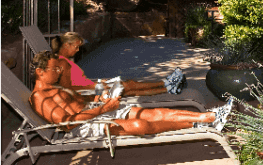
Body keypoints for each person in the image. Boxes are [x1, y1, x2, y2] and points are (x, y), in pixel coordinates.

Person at [29, 51, 233, 137]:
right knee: (140, 125)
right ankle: (198, 124)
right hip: (84, 126)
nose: (59, 73)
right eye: (54, 70)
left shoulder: (55, 89)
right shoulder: (40, 98)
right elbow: (67, 123)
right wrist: (103, 108)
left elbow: (77, 101)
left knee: (150, 113)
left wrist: (97, 100)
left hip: (95, 110)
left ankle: (209, 117)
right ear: (40, 72)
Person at [51, 32, 185, 96]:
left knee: (129, 87)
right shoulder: (62, 63)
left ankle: (168, 88)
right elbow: (68, 89)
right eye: (76, 46)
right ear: (66, 45)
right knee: (128, 86)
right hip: (88, 93)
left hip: (91, 87)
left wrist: (97, 82)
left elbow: (77, 81)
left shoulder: (65, 61)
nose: (78, 50)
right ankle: (166, 82)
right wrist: (96, 86)